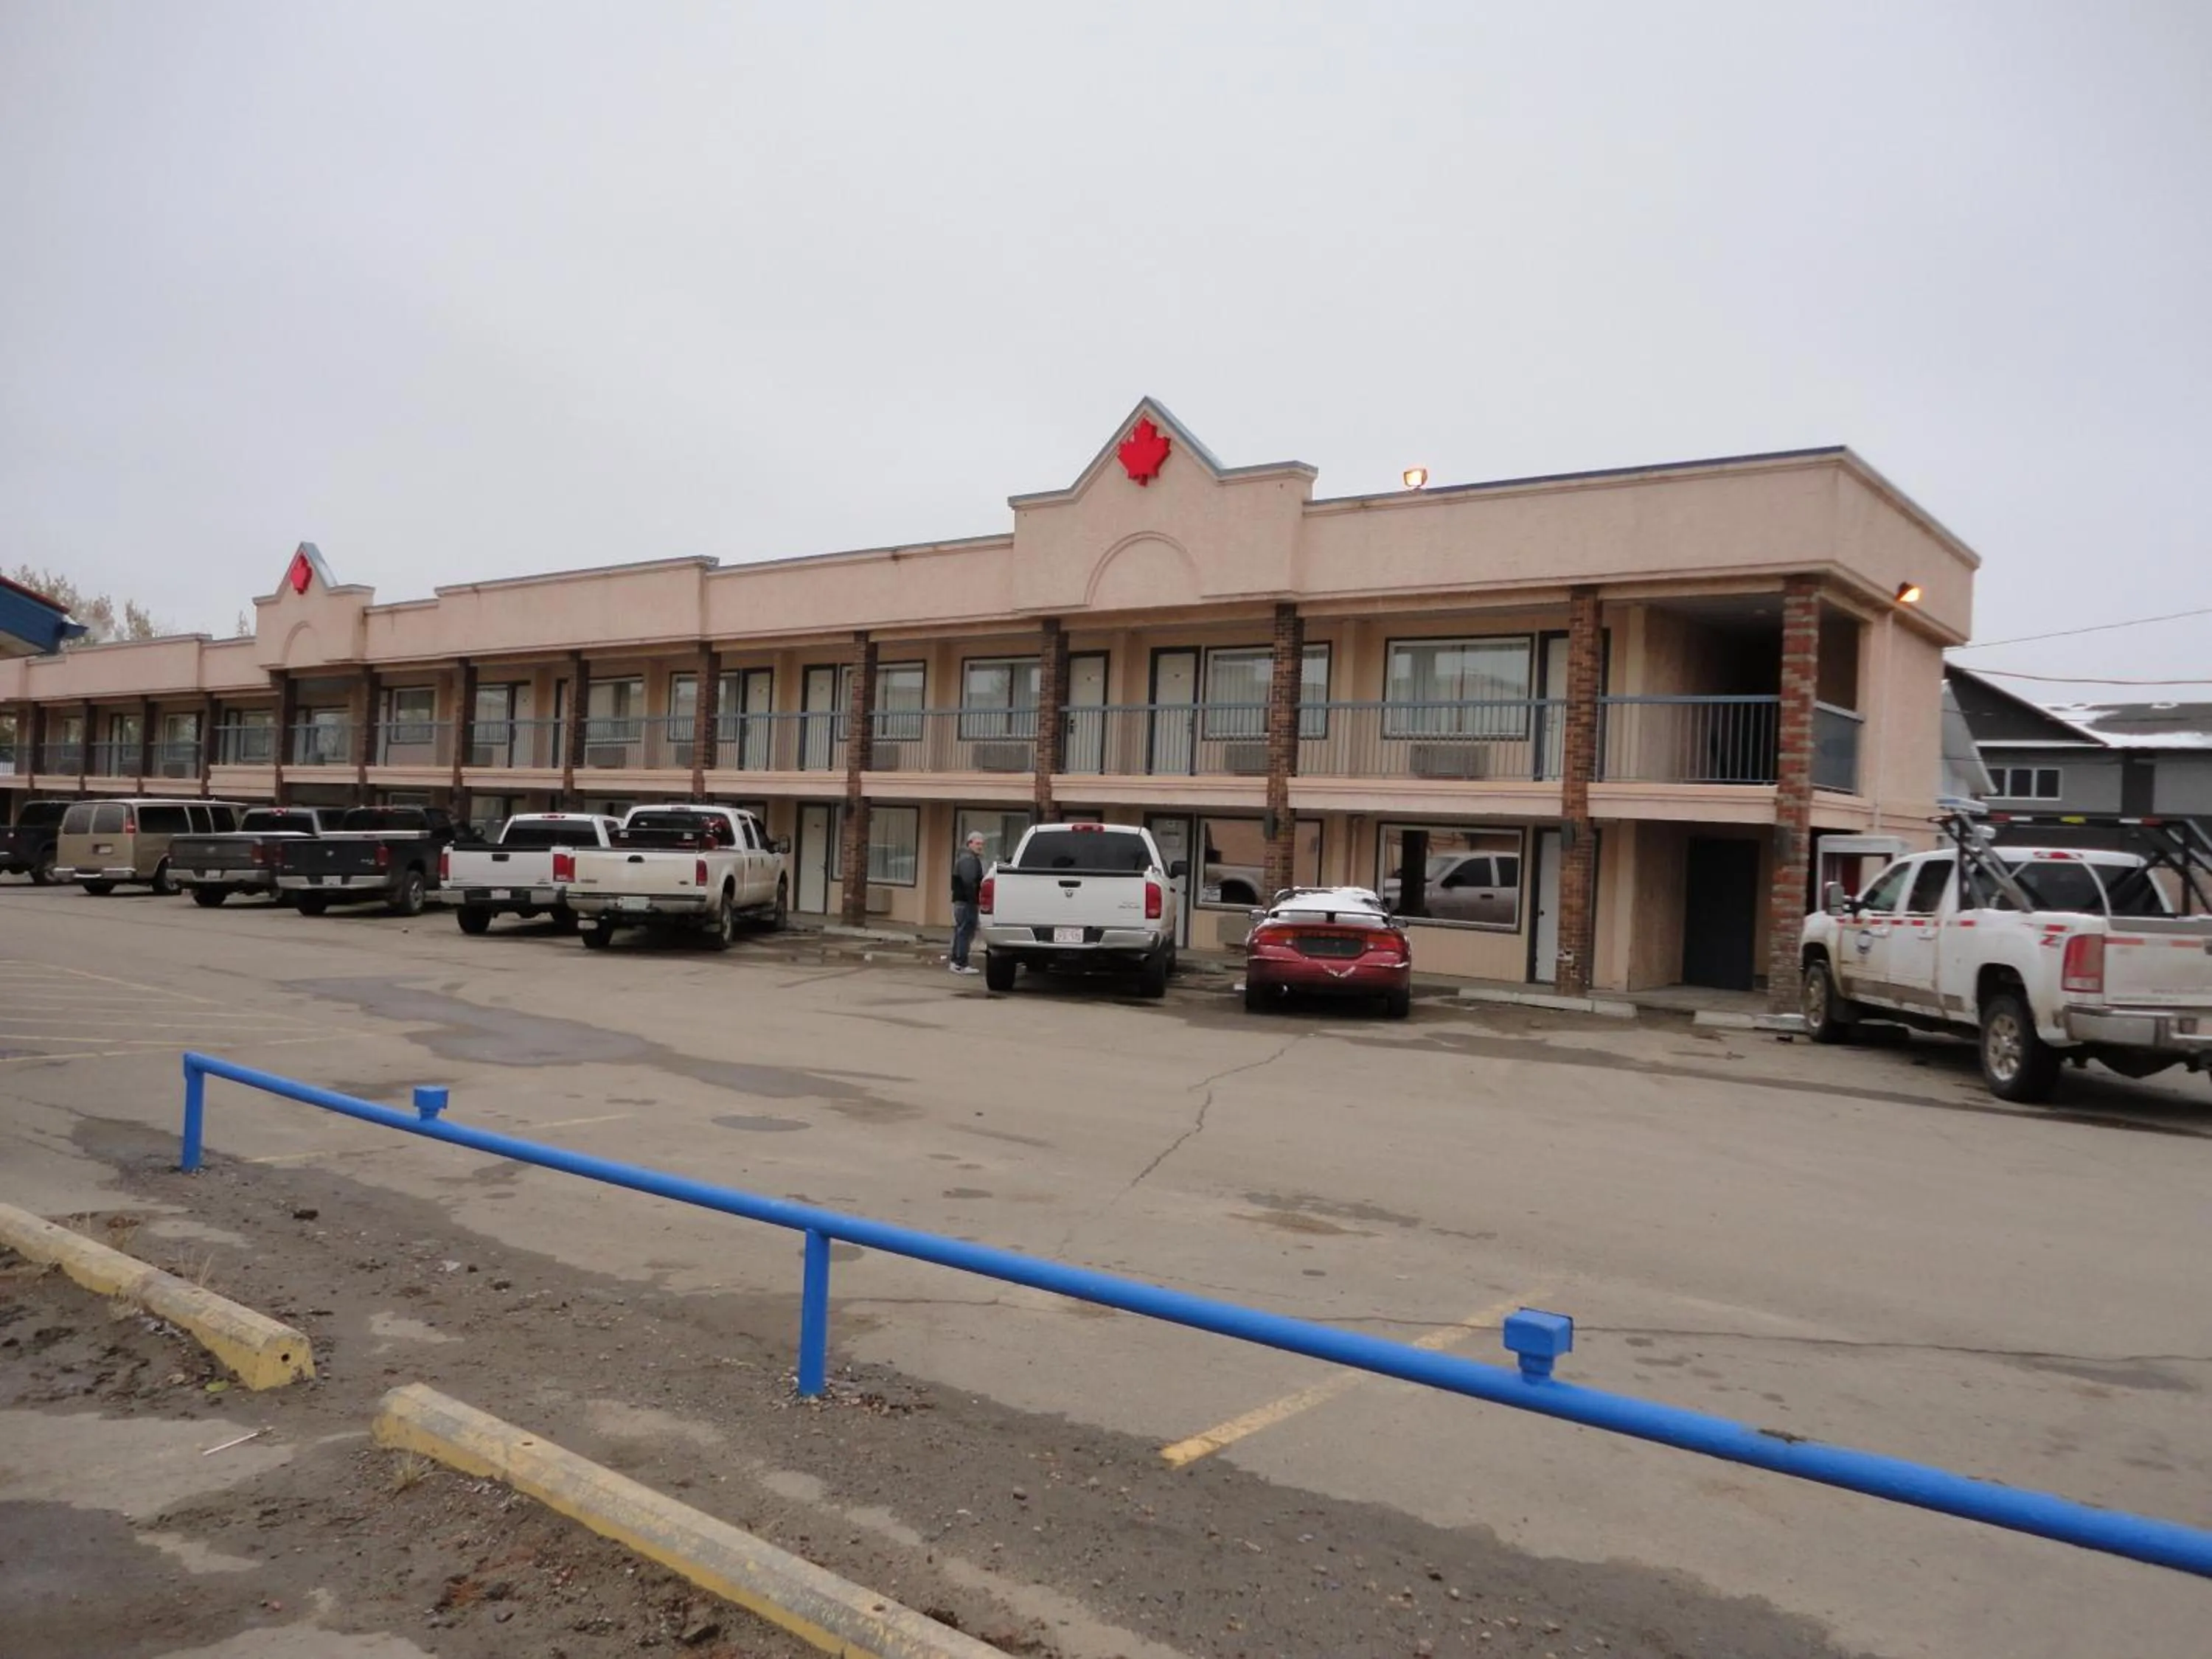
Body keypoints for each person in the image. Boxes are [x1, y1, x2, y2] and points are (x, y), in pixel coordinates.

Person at [948, 830, 987, 975]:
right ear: (969, 843)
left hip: (962, 901)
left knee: (961, 932)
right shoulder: (968, 860)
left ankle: (956, 962)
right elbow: (969, 882)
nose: (980, 847)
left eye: (982, 844)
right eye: (977, 843)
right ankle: (961, 963)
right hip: (966, 902)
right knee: (965, 932)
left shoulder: (966, 858)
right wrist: (975, 901)